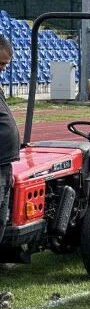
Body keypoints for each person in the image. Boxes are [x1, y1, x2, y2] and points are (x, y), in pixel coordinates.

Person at [0, 36, 19, 244]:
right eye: (0, 63)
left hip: (4, 165)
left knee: (2, 217)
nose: (3, 68)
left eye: (5, 64)